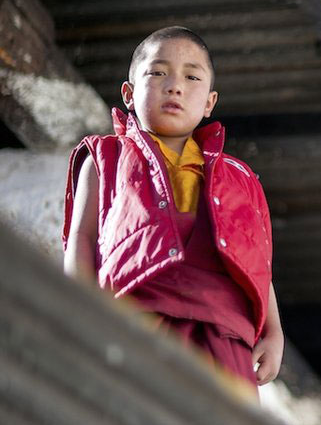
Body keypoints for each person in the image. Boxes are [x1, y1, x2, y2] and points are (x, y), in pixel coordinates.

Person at [62, 26, 283, 391]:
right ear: (129, 93)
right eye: (158, 72)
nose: (174, 86)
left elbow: (257, 261)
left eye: (191, 76)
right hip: (134, 313)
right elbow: (80, 239)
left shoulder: (239, 177)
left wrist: (273, 333)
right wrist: (79, 311)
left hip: (223, 328)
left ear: (210, 102)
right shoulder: (107, 156)